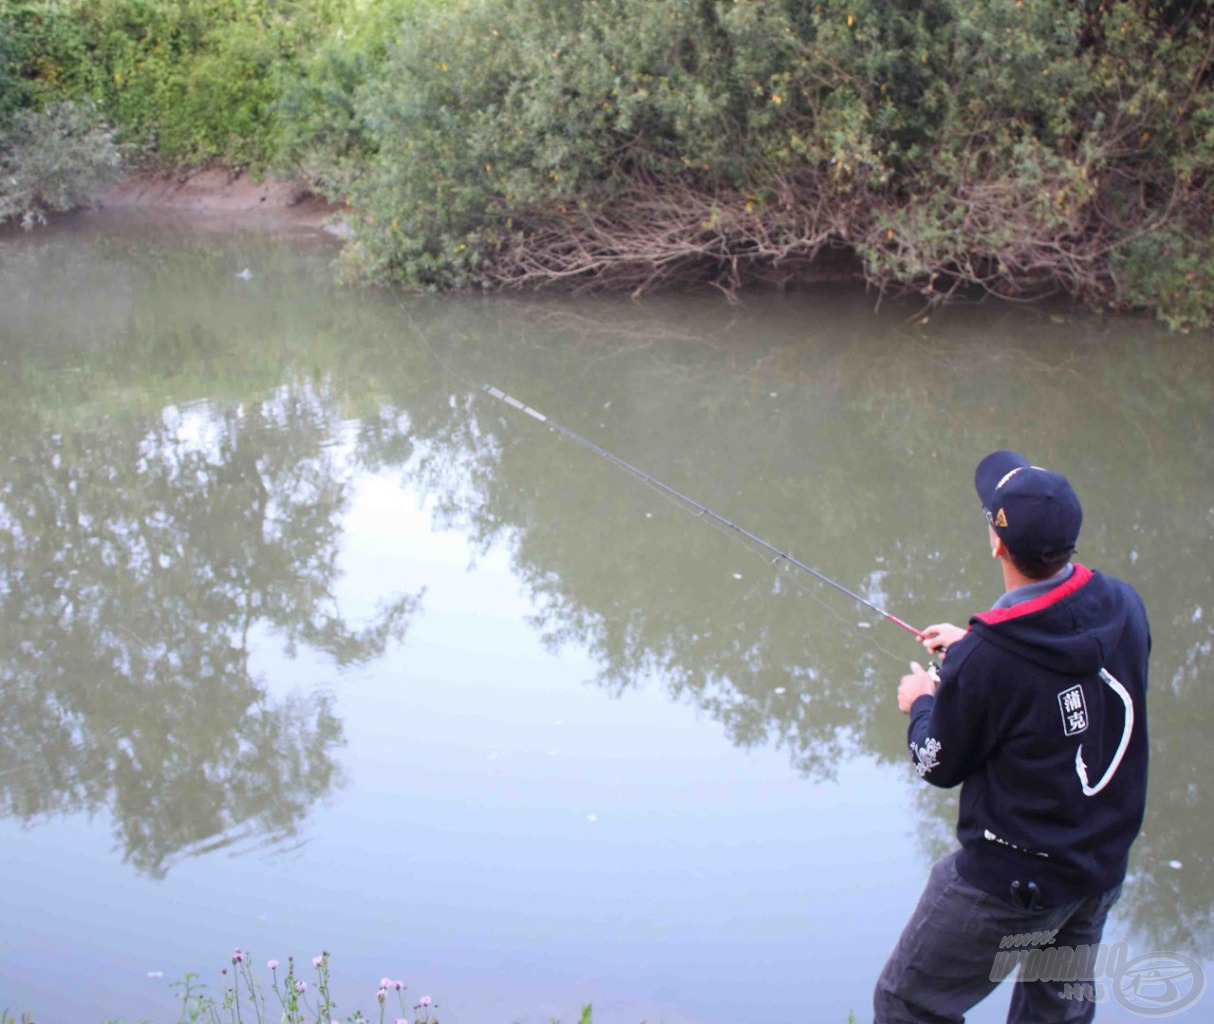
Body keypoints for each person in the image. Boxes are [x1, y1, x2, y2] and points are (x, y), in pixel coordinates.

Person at [874, 450, 1150, 1024]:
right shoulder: (1124, 605)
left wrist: (924, 700)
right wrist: (974, 650)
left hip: (1010, 882)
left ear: (998, 545)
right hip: (1097, 865)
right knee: (1054, 1017)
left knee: (906, 1003)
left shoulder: (989, 657)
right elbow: (1056, 670)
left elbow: (937, 764)